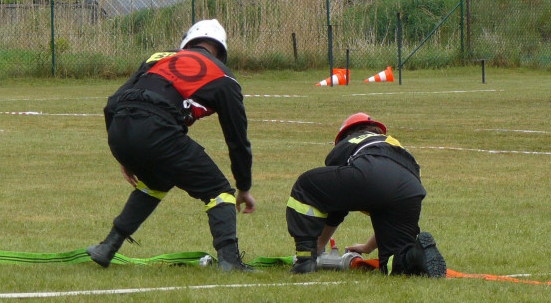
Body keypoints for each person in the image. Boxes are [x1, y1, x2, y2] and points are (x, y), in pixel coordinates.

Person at [87, 19, 257, 271]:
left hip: (119, 125)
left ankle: (108, 246)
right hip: (157, 128)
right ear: (221, 52)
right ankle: (230, 261)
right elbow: (237, 138)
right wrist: (243, 186)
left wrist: (123, 155)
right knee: (218, 191)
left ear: (186, 43)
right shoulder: (224, 76)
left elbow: (113, 102)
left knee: (156, 181)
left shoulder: (156, 58)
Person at [286, 112, 446, 277]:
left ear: (347, 133)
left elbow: (335, 205)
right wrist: (367, 248)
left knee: (305, 185)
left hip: (370, 172)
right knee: (391, 264)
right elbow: (388, 215)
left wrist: (318, 247)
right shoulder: (394, 144)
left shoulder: (349, 141)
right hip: (411, 188)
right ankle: (417, 254)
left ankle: (305, 260)